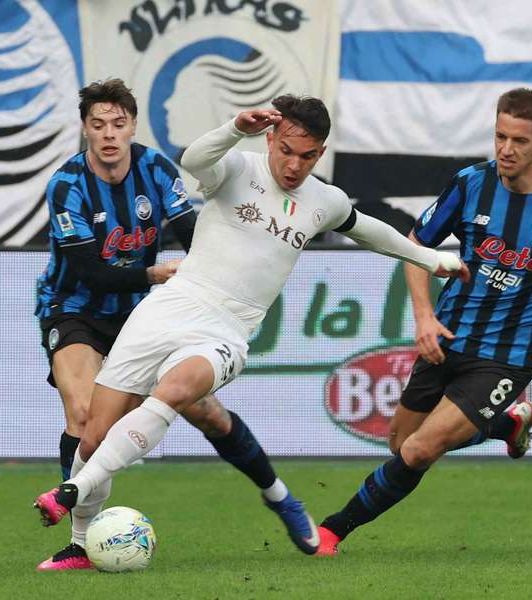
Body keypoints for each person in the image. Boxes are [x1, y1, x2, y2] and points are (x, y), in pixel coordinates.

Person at [32, 94, 469, 555]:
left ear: (320, 153)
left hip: (226, 329)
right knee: (94, 433)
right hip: (167, 307)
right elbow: (194, 158)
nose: (294, 165)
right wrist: (234, 127)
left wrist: (431, 258)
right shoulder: (237, 167)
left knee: (179, 391)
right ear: (271, 138)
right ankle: (79, 546)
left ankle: (72, 491)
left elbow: (371, 231)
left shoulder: (326, 200)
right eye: (286, 150)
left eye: (307, 156)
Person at [34, 79, 322, 570]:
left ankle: (280, 497)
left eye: (118, 124)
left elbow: (194, 233)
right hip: (74, 308)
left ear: (132, 127)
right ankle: (80, 543)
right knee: (84, 416)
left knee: (207, 412)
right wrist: (152, 272)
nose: (109, 134)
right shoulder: (66, 184)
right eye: (98, 125)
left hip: (146, 314)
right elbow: (89, 271)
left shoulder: (154, 168)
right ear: (85, 129)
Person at [314, 88, 532, 556]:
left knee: (419, 451)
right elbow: (414, 247)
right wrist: (425, 315)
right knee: (400, 443)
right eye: (499, 137)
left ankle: (330, 531)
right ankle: (506, 426)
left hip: (509, 356)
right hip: (448, 338)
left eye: (519, 141)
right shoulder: (470, 184)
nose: (507, 149)